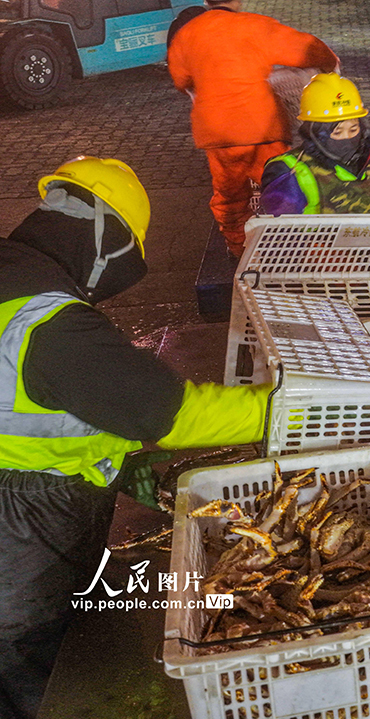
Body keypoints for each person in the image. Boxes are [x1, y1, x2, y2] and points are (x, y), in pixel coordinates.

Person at [0, 157, 273, 719]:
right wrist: (286, 409)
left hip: (29, 492)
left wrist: (122, 465)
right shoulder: (49, 325)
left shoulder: (15, 280)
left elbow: (44, 407)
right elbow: (168, 413)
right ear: (106, 243)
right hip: (25, 519)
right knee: (33, 654)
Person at [167, 0, 338, 256]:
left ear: (206, 1)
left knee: (230, 199)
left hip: (217, 132)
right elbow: (306, 49)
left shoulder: (187, 33)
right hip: (260, 127)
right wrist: (328, 63)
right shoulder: (253, 25)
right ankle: (306, 252)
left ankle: (242, 253)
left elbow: (181, 79)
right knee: (286, 189)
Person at [260, 74, 370, 216]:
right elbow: (278, 234)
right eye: (337, 132)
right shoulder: (290, 170)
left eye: (354, 129)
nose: (347, 138)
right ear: (315, 132)